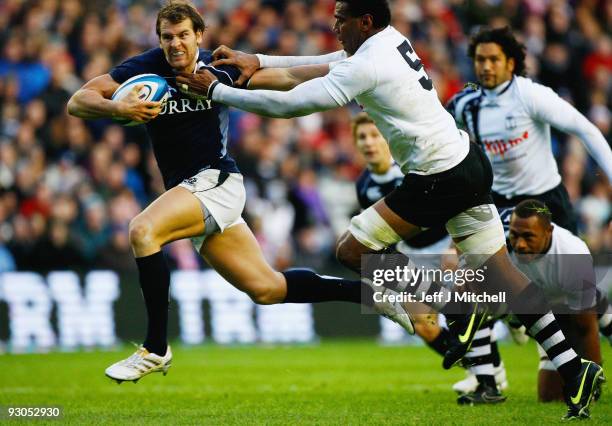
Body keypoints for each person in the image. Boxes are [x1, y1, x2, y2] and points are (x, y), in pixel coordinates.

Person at [176, 0, 604, 419]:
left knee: (353, 250)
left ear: (364, 21)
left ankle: (456, 304)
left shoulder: (367, 62)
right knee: (504, 278)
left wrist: (219, 91)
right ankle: (574, 369)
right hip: (467, 162)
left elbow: (293, 104)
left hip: (439, 175)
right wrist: (260, 59)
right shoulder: (385, 41)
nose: (333, 23)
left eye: (341, 18)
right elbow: (322, 61)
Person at [67, 1, 412, 385]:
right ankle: (367, 294)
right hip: (189, 193)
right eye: (167, 37)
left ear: (200, 35)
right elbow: (78, 100)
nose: (175, 44)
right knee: (267, 288)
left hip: (217, 182)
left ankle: (156, 348)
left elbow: (289, 77)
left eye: (183, 35)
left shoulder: (219, 68)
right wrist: (120, 107)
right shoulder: (145, 67)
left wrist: (351, 68)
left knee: (142, 230)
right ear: (159, 39)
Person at [445, 26, 612, 394]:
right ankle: (487, 378)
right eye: (480, 59)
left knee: (575, 298)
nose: (486, 66)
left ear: (511, 63)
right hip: (499, 205)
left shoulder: (531, 95)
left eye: (493, 60)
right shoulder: (463, 104)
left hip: (546, 204)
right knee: (472, 276)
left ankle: (589, 337)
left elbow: (586, 130)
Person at [508, 199, 601, 402]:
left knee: (586, 318)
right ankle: (485, 379)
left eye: (528, 237)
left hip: (565, 305)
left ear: (548, 231)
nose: (520, 244)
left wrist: (593, 379)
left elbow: (585, 327)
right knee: (549, 397)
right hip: (533, 305)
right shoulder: (499, 236)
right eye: (514, 235)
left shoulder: (573, 255)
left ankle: (602, 311)